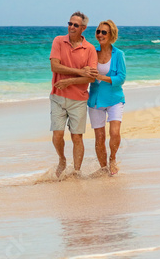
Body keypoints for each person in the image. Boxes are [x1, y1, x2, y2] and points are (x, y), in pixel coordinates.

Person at [56, 19, 126, 175]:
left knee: (114, 132)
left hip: (115, 99)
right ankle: (104, 168)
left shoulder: (119, 54)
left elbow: (121, 78)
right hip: (95, 100)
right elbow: (85, 71)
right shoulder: (91, 51)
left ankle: (112, 159)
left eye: (104, 32)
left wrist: (102, 77)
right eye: (98, 32)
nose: (100, 35)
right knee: (99, 137)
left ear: (111, 35)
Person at [49, 12, 98, 177]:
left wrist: (69, 81)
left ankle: (76, 172)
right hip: (57, 96)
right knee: (58, 135)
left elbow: (91, 77)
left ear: (83, 28)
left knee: (77, 138)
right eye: (70, 23)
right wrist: (78, 72)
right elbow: (55, 67)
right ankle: (62, 159)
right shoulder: (58, 41)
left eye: (75, 25)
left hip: (78, 100)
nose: (71, 27)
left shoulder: (90, 49)